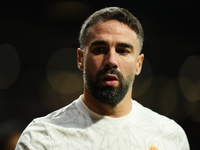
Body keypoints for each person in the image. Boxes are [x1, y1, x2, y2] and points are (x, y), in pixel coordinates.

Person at [15, 7, 190, 150]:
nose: (111, 61)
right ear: (80, 59)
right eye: (99, 49)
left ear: (139, 64)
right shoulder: (42, 137)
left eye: (123, 50)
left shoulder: (170, 136)